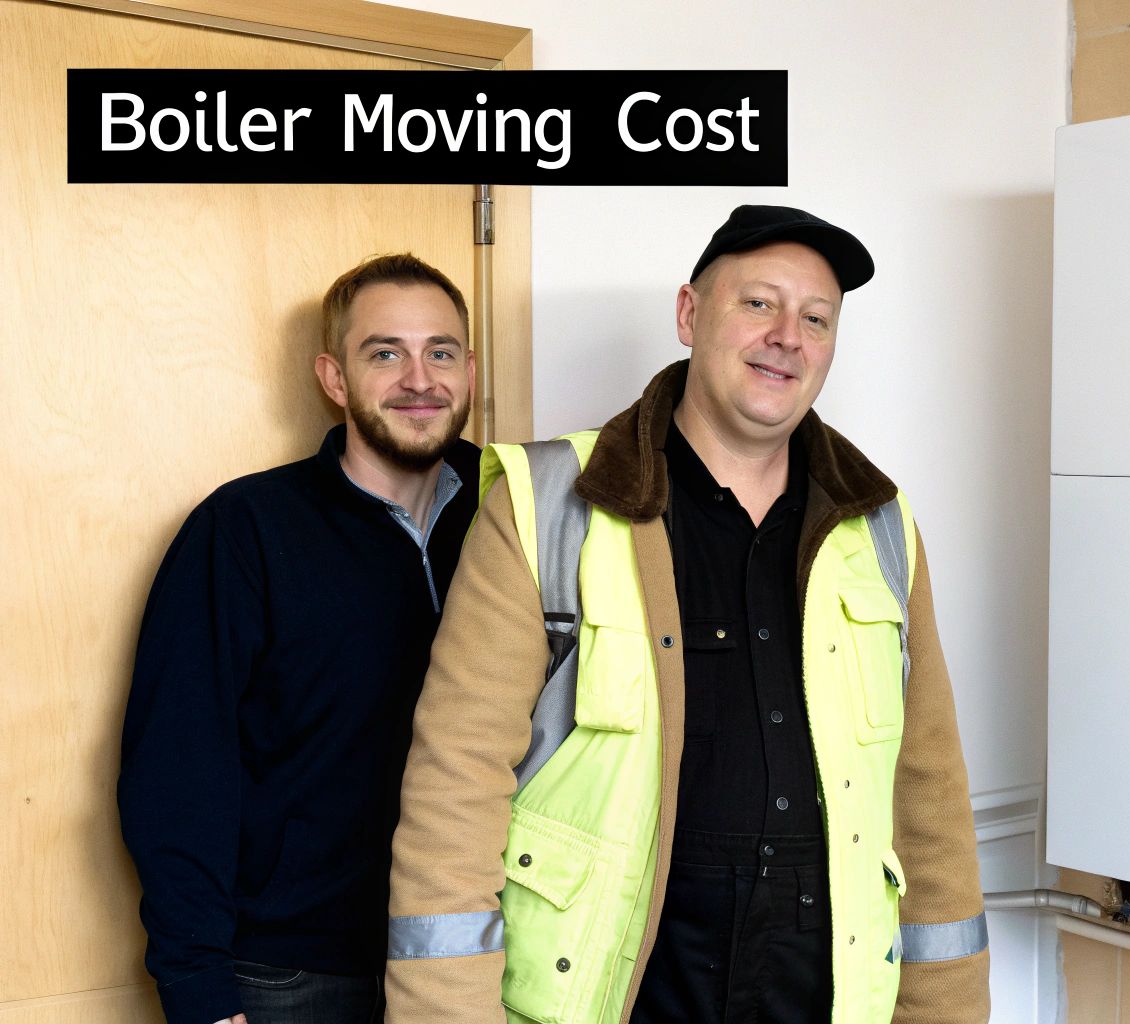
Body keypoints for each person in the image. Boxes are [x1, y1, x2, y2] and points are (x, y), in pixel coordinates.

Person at [384, 205, 989, 1024]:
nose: (788, 336)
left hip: (821, 996)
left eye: (816, 318)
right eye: (758, 304)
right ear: (688, 314)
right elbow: (454, 790)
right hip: (617, 995)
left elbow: (931, 802)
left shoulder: (878, 524)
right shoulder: (547, 503)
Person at [119, 253, 481, 1024]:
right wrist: (200, 991)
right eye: (385, 353)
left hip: (475, 958)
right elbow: (178, 771)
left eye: (441, 351)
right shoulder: (244, 531)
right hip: (292, 975)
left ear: (471, 369)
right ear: (334, 377)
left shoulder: (515, 518)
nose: (420, 379)